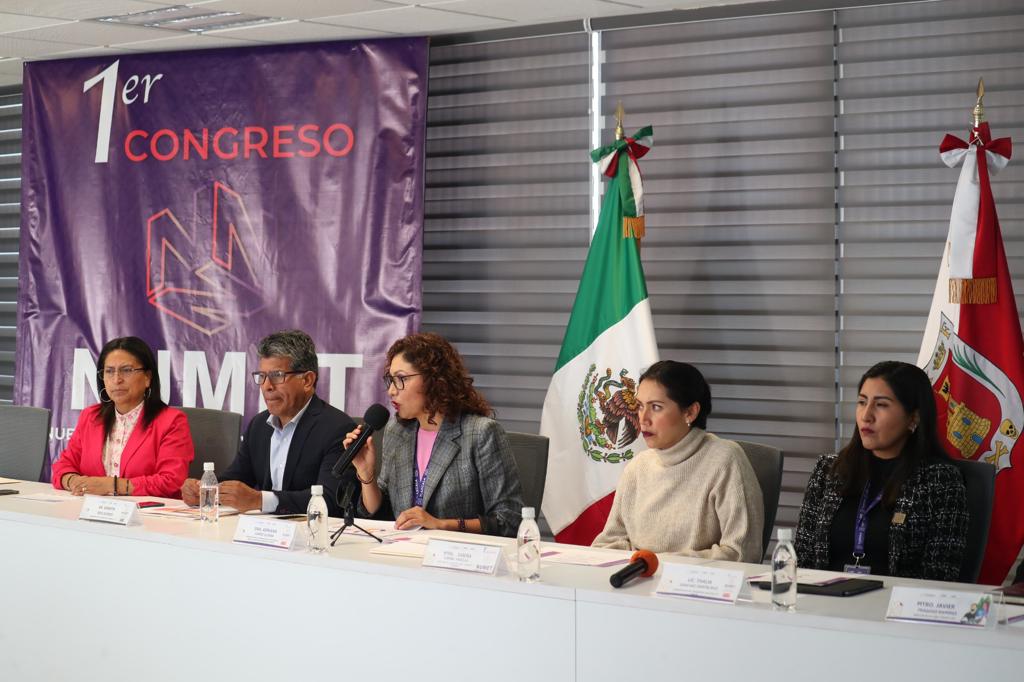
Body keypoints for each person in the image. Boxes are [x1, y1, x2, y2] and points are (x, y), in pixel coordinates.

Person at [795, 360, 968, 580]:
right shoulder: (829, 470)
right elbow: (802, 559)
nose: (866, 415)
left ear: (913, 417)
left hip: (895, 600)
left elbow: (940, 575)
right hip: (823, 597)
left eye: (881, 405)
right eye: (862, 402)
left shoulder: (940, 480)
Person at [347, 332, 524, 537]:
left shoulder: (480, 433)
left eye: (401, 379)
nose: (391, 391)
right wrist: (367, 475)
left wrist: (441, 524)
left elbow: (510, 520)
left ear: (434, 380)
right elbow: (383, 513)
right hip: (404, 550)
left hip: (456, 553)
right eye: (391, 380)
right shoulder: (397, 431)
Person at [592, 360, 764, 561]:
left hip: (690, 581)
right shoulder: (637, 467)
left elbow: (742, 553)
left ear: (690, 412)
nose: (643, 419)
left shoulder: (726, 460)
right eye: (639, 406)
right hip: (639, 577)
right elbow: (608, 544)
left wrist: (658, 565)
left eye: (656, 407)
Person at [181, 330, 357, 515]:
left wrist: (260, 501)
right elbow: (235, 479)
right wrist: (205, 490)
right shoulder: (259, 425)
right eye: (262, 377)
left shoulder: (337, 429)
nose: (267, 386)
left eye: (277, 375)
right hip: (262, 529)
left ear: (307, 380)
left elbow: (331, 500)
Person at [52, 336, 193, 498]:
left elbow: (171, 481)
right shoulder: (90, 416)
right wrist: (73, 482)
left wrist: (112, 485)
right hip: (91, 508)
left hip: (147, 512)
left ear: (147, 377)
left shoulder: (172, 421)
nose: (116, 380)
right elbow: (63, 465)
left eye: (126, 370)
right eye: (109, 371)